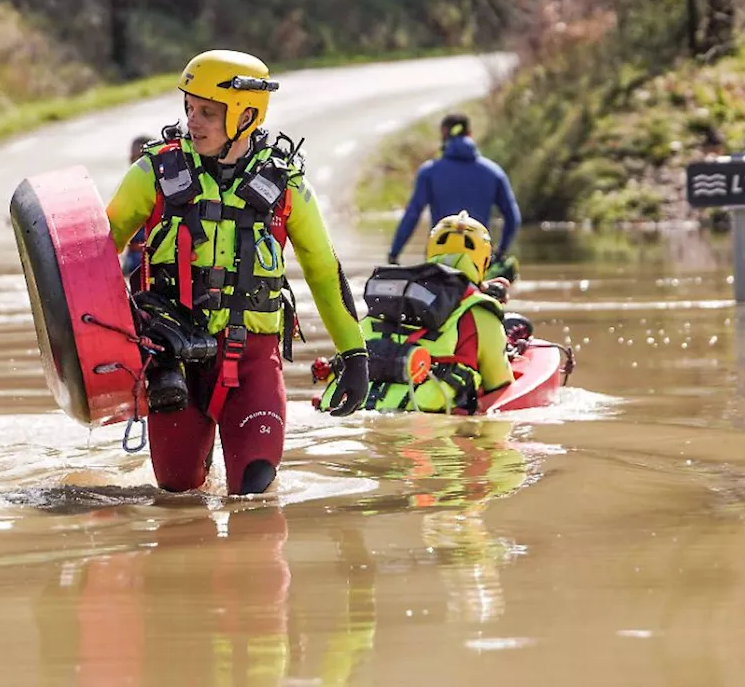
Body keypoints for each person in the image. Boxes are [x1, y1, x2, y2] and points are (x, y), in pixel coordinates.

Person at [106, 49, 369, 496]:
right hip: (175, 365)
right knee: (178, 494)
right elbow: (91, 262)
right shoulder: (151, 174)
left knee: (255, 492)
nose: (195, 121)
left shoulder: (286, 186)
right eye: (190, 108)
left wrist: (356, 355)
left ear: (247, 115)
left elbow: (325, 273)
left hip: (253, 364)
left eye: (209, 111)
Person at [319, 211, 513, 414]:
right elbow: (499, 383)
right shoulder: (480, 310)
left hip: (346, 408)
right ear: (483, 261)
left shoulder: (395, 293)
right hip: (423, 422)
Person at [387, 113, 522, 280]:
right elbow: (513, 218)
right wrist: (500, 252)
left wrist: (394, 255)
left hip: (438, 259)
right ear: (470, 134)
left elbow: (412, 215)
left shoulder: (429, 172)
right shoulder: (493, 172)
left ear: (444, 133)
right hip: (477, 257)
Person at [121, 134, 157, 276]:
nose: (134, 163)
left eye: (139, 158)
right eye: (132, 158)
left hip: (150, 262)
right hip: (132, 260)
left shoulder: (162, 193)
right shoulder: (127, 189)